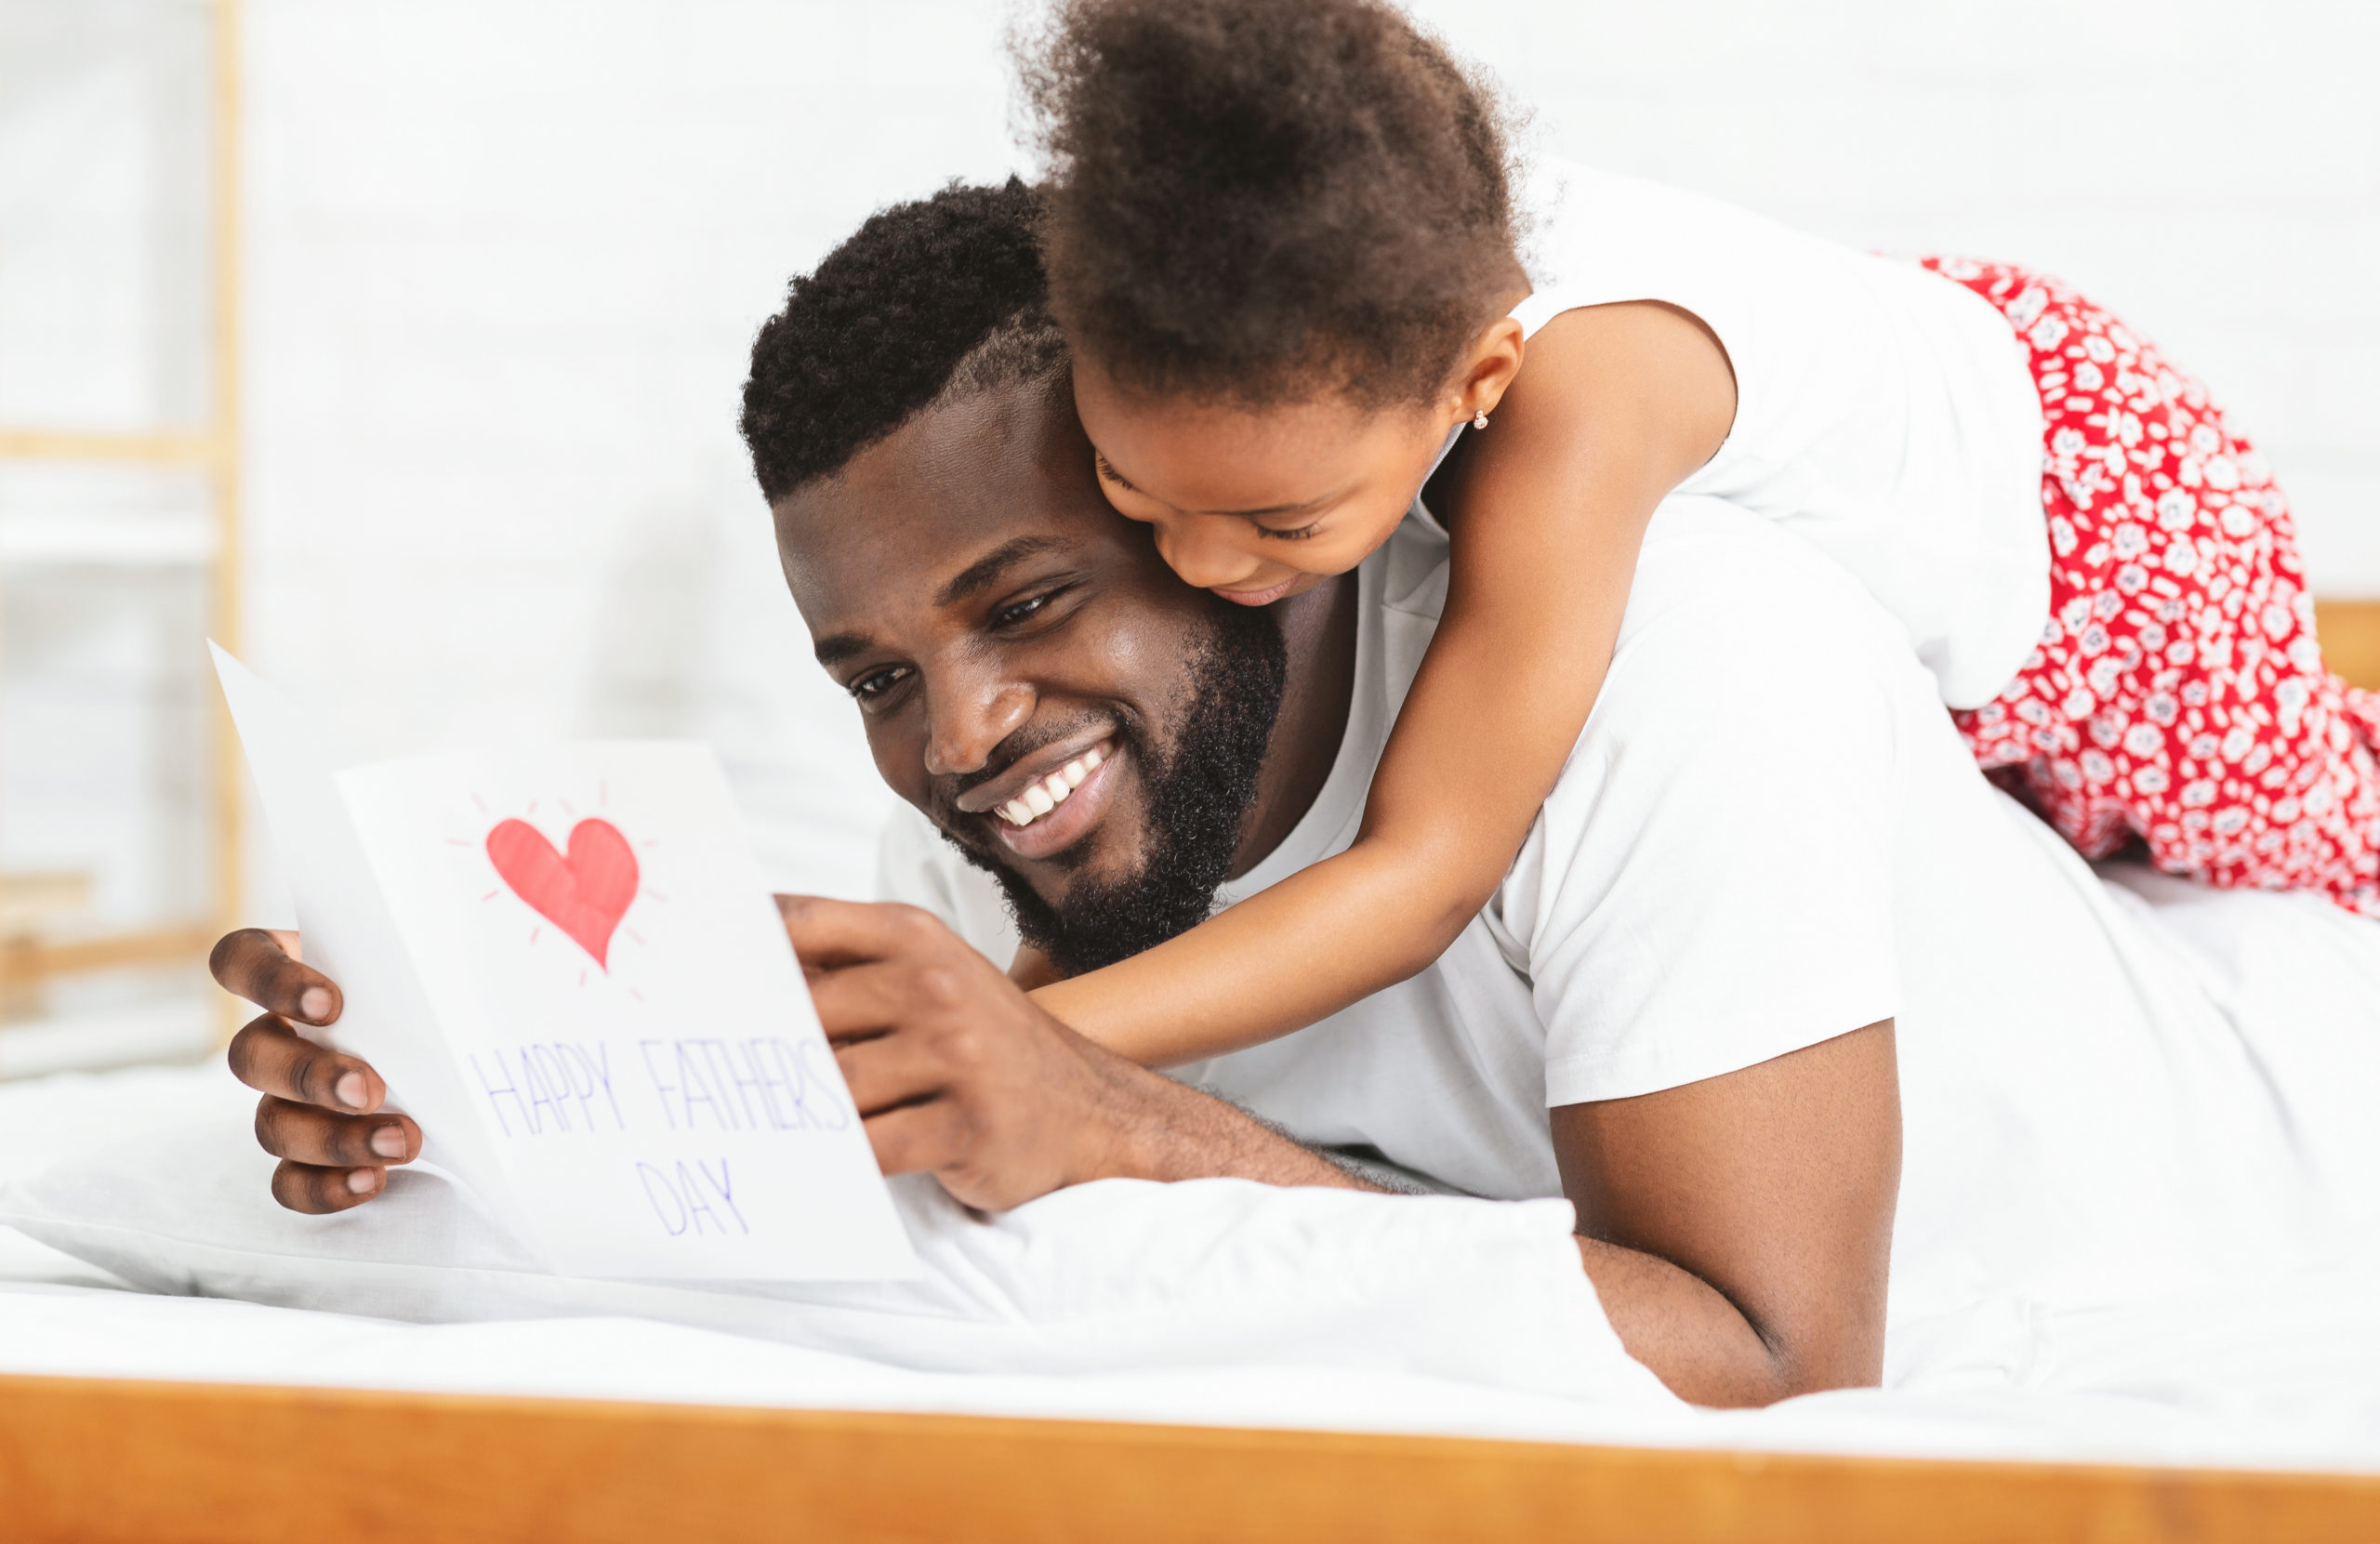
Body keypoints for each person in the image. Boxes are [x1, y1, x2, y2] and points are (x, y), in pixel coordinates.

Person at [211, 181, 2380, 1409]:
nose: (955, 738)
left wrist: (1110, 1123)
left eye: (1031, 596)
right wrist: (469, 1119)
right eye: (875, 673)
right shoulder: (975, 851)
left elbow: (1774, 1351)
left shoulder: (1676, 646)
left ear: (1228, 502)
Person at [991, 0, 2380, 1070]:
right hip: (1919, 356)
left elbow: (1423, 873)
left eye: (1282, 527)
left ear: (1478, 378)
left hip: (2109, 521)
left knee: (2299, 837)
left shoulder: (1580, 396)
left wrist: (1026, 1042)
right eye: (1133, 491)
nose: (1197, 561)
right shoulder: (1283, 288)